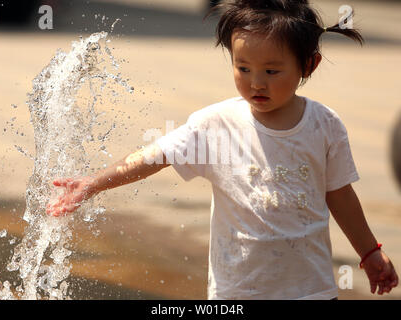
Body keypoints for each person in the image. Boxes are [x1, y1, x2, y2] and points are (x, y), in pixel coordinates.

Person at [46, 0, 398, 299]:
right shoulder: (216, 124)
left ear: (309, 65)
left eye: (272, 71)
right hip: (237, 291)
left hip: (310, 289)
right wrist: (94, 182)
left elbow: (340, 195)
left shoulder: (324, 125)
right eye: (243, 68)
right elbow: (155, 155)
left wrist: (369, 253)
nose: (256, 82)